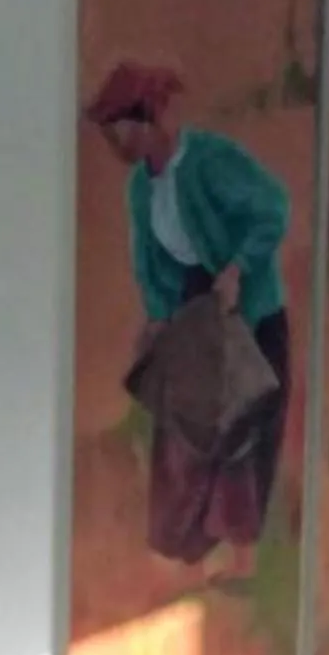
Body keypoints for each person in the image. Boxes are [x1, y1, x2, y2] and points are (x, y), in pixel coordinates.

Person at [86, 61, 293, 575]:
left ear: (148, 120)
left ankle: (241, 558)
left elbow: (273, 209)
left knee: (239, 428)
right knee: (186, 429)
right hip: (192, 314)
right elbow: (148, 260)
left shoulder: (209, 161)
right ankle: (191, 555)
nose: (118, 142)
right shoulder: (141, 187)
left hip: (243, 311)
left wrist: (238, 268)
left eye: (121, 129)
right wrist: (158, 316)